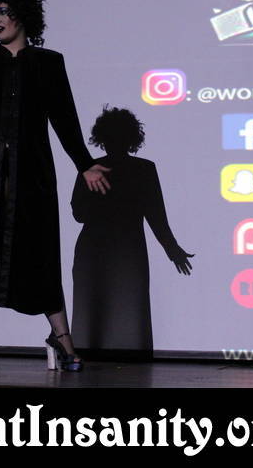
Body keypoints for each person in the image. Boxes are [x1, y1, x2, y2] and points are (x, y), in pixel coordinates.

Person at [0, 0, 110, 371]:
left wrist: (84, 163)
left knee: (39, 250)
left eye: (3, 11)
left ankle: (60, 336)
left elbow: (64, 118)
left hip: (31, 171)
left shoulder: (48, 62)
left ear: (22, 14)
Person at [71, 107, 193, 357]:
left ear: (101, 137)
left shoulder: (90, 169)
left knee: (93, 312)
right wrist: (173, 249)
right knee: (130, 313)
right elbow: (156, 216)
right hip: (128, 250)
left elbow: (78, 214)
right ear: (132, 138)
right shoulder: (144, 169)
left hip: (94, 250)